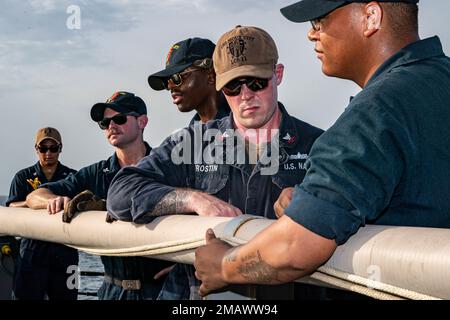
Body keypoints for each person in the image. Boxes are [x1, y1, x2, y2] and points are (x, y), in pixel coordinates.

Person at [194, 0, 450, 298]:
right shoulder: (438, 80)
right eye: (233, 87)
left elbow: (296, 248)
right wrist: (312, 200)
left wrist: (224, 267)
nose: (311, 35)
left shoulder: (375, 112)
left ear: (371, 16)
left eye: (319, 21)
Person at [107, 26, 323, 299]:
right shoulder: (192, 142)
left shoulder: (319, 146)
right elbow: (120, 192)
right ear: (219, 84)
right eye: (233, 85)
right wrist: (190, 199)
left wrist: (315, 202)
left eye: (256, 81)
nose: (245, 95)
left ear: (277, 75)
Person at [26, 92, 173, 300]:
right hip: (113, 291)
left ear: (142, 122)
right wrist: (52, 200)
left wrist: (185, 265)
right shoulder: (95, 174)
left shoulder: (168, 168)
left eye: (119, 119)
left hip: (162, 291)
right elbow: (35, 195)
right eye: (105, 122)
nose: (111, 126)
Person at [148, 37, 231, 299]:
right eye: (166, 83)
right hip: (187, 279)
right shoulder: (181, 141)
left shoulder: (253, 132)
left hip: (237, 285)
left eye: (178, 78)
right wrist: (190, 198)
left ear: (211, 74)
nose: (170, 88)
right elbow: (123, 190)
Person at [6, 127, 78, 300]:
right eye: (43, 148)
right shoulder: (22, 177)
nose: (48, 153)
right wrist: (35, 203)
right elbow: (11, 208)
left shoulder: (73, 177)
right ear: (36, 149)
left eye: (53, 148)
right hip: (31, 254)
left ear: (60, 149)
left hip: (66, 254)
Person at [148, 37, 230, 125]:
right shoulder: (189, 135)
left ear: (211, 75)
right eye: (167, 81)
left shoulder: (242, 123)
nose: (170, 86)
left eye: (176, 77)